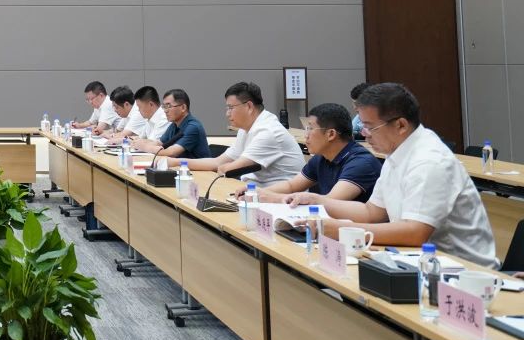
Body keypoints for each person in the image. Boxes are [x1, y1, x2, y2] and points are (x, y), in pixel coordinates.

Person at [288, 83, 497, 268]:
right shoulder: (396, 153)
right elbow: (371, 212)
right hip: (419, 260)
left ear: (401, 125)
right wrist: (317, 201)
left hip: (463, 272)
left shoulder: (429, 161)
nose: (363, 134)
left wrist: (343, 229)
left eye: (370, 127)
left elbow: (415, 233)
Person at [257, 102, 380, 203]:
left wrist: (275, 198)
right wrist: (257, 193)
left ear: (331, 134)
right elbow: (291, 185)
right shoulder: (322, 157)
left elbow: (329, 202)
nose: (306, 135)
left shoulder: (361, 163)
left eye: (310, 128)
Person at [190, 82, 303, 187]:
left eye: (231, 108)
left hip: (283, 197)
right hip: (257, 190)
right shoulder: (245, 128)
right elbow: (218, 162)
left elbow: (229, 169)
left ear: (249, 106)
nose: (227, 114)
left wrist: (223, 167)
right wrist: (180, 162)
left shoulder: (268, 131)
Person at [132, 89, 211, 163]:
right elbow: (158, 143)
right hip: (180, 168)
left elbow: (171, 153)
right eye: (164, 107)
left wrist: (145, 147)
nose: (165, 111)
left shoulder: (193, 127)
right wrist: (139, 144)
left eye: (169, 106)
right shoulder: (174, 125)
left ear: (183, 108)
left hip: (200, 171)